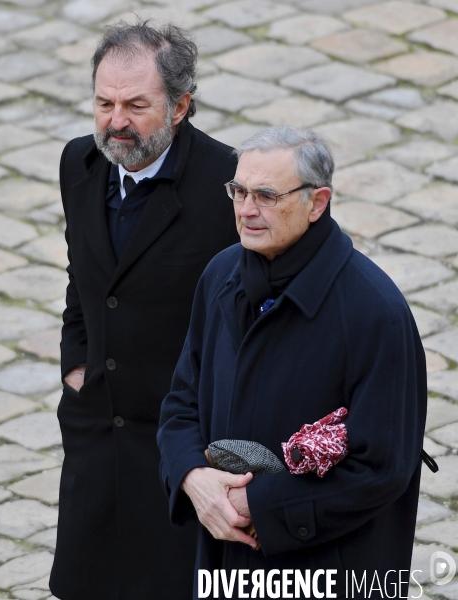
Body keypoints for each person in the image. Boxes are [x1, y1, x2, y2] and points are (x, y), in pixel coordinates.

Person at [158, 126, 427, 599]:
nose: (245, 209)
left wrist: (257, 506)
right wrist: (192, 478)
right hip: (225, 568)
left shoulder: (375, 313)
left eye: (265, 195)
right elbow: (182, 400)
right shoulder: (220, 274)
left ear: (317, 202)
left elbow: (382, 469)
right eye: (238, 191)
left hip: (329, 571)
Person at [50, 21, 239, 600]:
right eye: (104, 103)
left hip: (181, 446)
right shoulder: (79, 164)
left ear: (181, 106)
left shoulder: (229, 186)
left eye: (136, 104)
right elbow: (81, 277)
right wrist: (76, 363)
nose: (116, 121)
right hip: (96, 435)